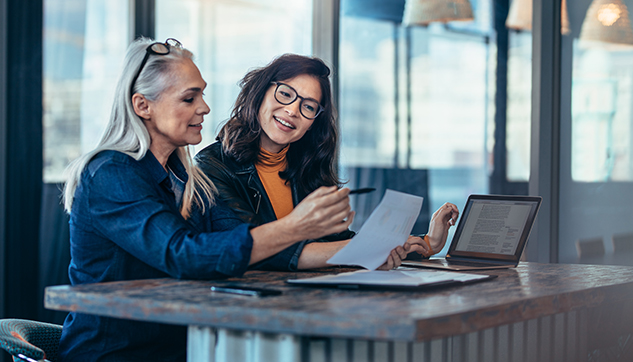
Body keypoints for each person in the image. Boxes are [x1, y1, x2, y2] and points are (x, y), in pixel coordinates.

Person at [59, 39, 408, 361]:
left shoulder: (186, 178)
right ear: (142, 105)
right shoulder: (109, 173)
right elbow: (184, 255)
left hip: (186, 346)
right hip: (117, 353)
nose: (205, 108)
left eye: (203, 96)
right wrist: (296, 225)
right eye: (189, 98)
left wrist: (374, 249)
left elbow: (246, 241)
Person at [195, 54, 459, 268]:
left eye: (308, 106)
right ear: (260, 93)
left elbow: (337, 242)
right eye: (285, 94)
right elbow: (256, 249)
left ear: (313, 123)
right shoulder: (211, 167)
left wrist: (426, 243)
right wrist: (367, 250)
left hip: (308, 302)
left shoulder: (306, 168)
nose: (292, 111)